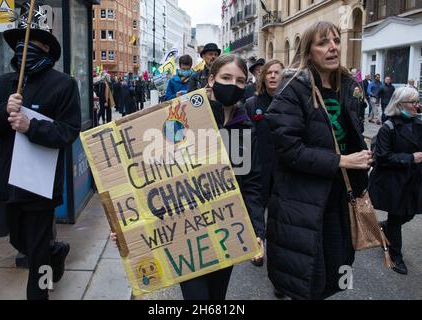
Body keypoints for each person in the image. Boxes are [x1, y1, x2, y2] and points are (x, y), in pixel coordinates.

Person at [111, 54, 265, 300]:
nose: (233, 85)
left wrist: (257, 229)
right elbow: (152, 173)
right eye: (226, 78)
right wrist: (127, 224)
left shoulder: (245, 127)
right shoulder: (183, 116)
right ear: (212, 79)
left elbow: (250, 184)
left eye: (240, 81)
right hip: (185, 231)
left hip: (225, 229)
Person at [0, 1, 80, 300]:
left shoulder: (63, 85)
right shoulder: (3, 84)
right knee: (21, 241)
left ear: (46, 48)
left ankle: (42, 292)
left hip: (39, 187)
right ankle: (54, 251)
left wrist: (30, 126)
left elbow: (69, 132)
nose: (25, 49)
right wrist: (3, 111)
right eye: (20, 43)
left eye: (32, 42)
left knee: (37, 258)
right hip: (8, 183)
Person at [266, 21, 371, 300]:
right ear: (309, 51)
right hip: (304, 200)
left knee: (337, 271)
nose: (333, 47)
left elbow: (351, 134)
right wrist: (341, 161)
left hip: (341, 195)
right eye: (323, 42)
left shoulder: (348, 86)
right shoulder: (292, 89)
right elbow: (289, 150)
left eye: (336, 40)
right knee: (307, 275)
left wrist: (362, 158)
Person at [369, 87, 422, 275]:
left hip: (414, 179)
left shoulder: (418, 123)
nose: (417, 105)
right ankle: (395, 255)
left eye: (417, 101)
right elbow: (383, 157)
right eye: (413, 102)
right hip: (394, 181)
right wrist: (410, 158)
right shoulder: (388, 127)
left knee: (409, 213)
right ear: (400, 105)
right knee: (397, 216)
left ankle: (386, 227)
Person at [244, 59, 284, 268]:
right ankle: (257, 246)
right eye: (269, 72)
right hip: (258, 167)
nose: (272, 76)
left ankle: (278, 266)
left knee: (278, 216)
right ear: (262, 77)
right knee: (256, 210)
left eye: (277, 72)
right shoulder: (252, 103)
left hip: (283, 168)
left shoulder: (290, 102)